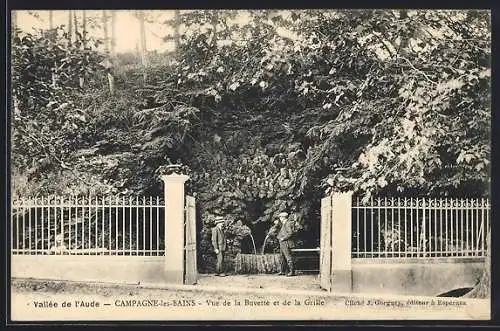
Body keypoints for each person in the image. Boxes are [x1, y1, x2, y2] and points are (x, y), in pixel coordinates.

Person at [276, 212, 296, 276]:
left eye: (280, 217)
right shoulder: (284, 224)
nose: (280, 219)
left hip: (286, 243)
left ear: (283, 218)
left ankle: (292, 271)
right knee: (282, 257)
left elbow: (290, 233)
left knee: (288, 257)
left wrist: (283, 238)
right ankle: (282, 271)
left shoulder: (287, 224)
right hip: (282, 243)